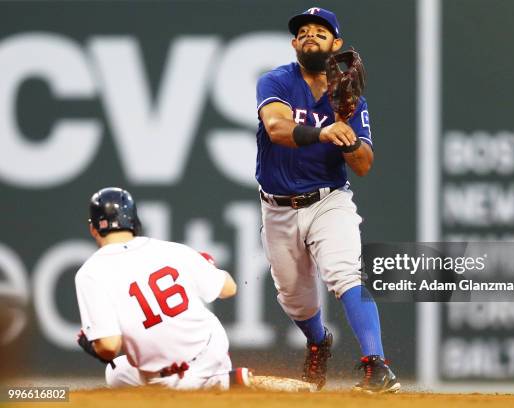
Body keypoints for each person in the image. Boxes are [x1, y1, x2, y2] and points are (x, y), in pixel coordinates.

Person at [255, 7, 400, 393]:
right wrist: (323, 133)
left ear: (336, 44)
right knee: (294, 299)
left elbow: (364, 164)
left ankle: (377, 366)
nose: (310, 35)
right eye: (303, 31)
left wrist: (348, 133)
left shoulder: (351, 102)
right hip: (278, 206)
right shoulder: (278, 81)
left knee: (345, 273)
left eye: (320, 31)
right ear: (293, 43)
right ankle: (319, 341)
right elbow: (275, 127)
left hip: (327, 201)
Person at [74, 187, 239, 390]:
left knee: (116, 373)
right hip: (212, 355)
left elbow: (109, 346)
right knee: (118, 372)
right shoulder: (171, 249)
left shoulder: (90, 273)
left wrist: (93, 346)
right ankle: (219, 380)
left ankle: (208, 385)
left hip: (165, 380)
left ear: (93, 229)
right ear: (134, 222)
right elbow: (229, 289)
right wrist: (209, 267)